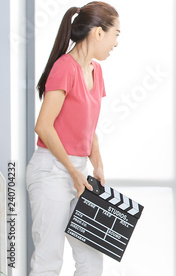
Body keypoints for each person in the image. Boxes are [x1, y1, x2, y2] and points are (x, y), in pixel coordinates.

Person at [26, 2, 119, 275]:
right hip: (51, 171)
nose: (116, 43)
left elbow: (88, 129)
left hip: (79, 173)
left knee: (91, 261)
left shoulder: (96, 71)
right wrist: (72, 170)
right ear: (98, 33)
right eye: (116, 34)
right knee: (48, 261)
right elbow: (43, 127)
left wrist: (97, 164)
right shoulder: (64, 67)